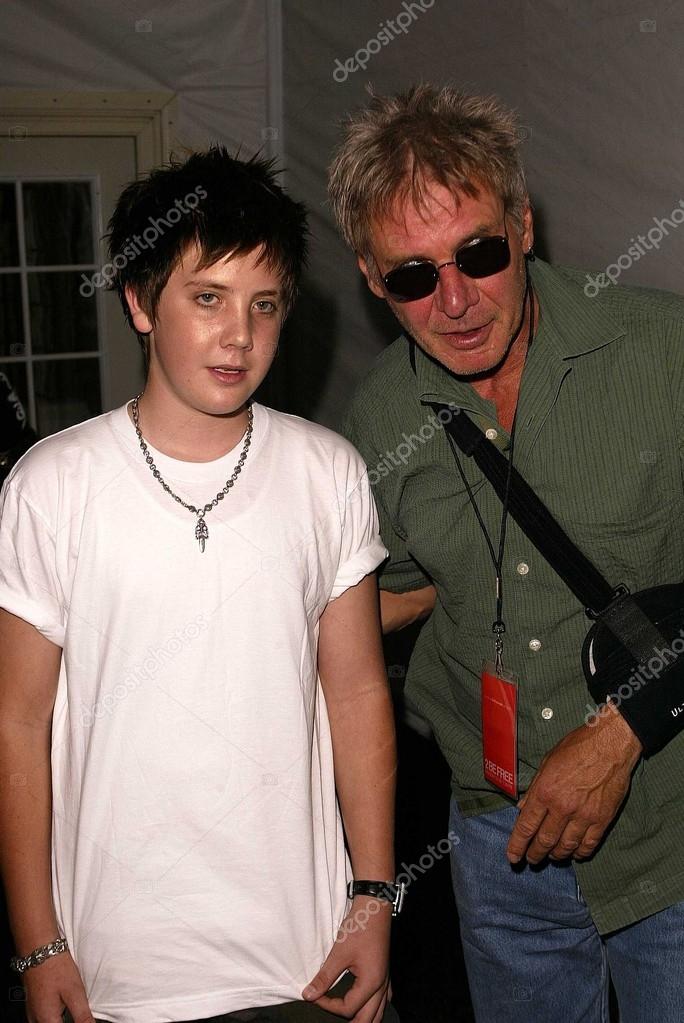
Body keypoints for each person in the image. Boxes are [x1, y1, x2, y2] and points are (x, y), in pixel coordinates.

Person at [0, 146, 401, 1023]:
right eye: (207, 298)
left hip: (305, 961)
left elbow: (361, 693)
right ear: (141, 302)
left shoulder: (327, 472)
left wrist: (374, 902)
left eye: (264, 305)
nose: (239, 335)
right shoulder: (50, 485)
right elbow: (18, 722)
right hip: (117, 972)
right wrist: (38, 944)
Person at [329, 84, 684, 1022]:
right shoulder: (376, 421)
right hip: (498, 846)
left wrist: (619, 735)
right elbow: (405, 589)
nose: (453, 301)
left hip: (670, 827)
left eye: (479, 254)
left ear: (523, 225)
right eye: (412, 275)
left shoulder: (663, 352)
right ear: (371, 277)